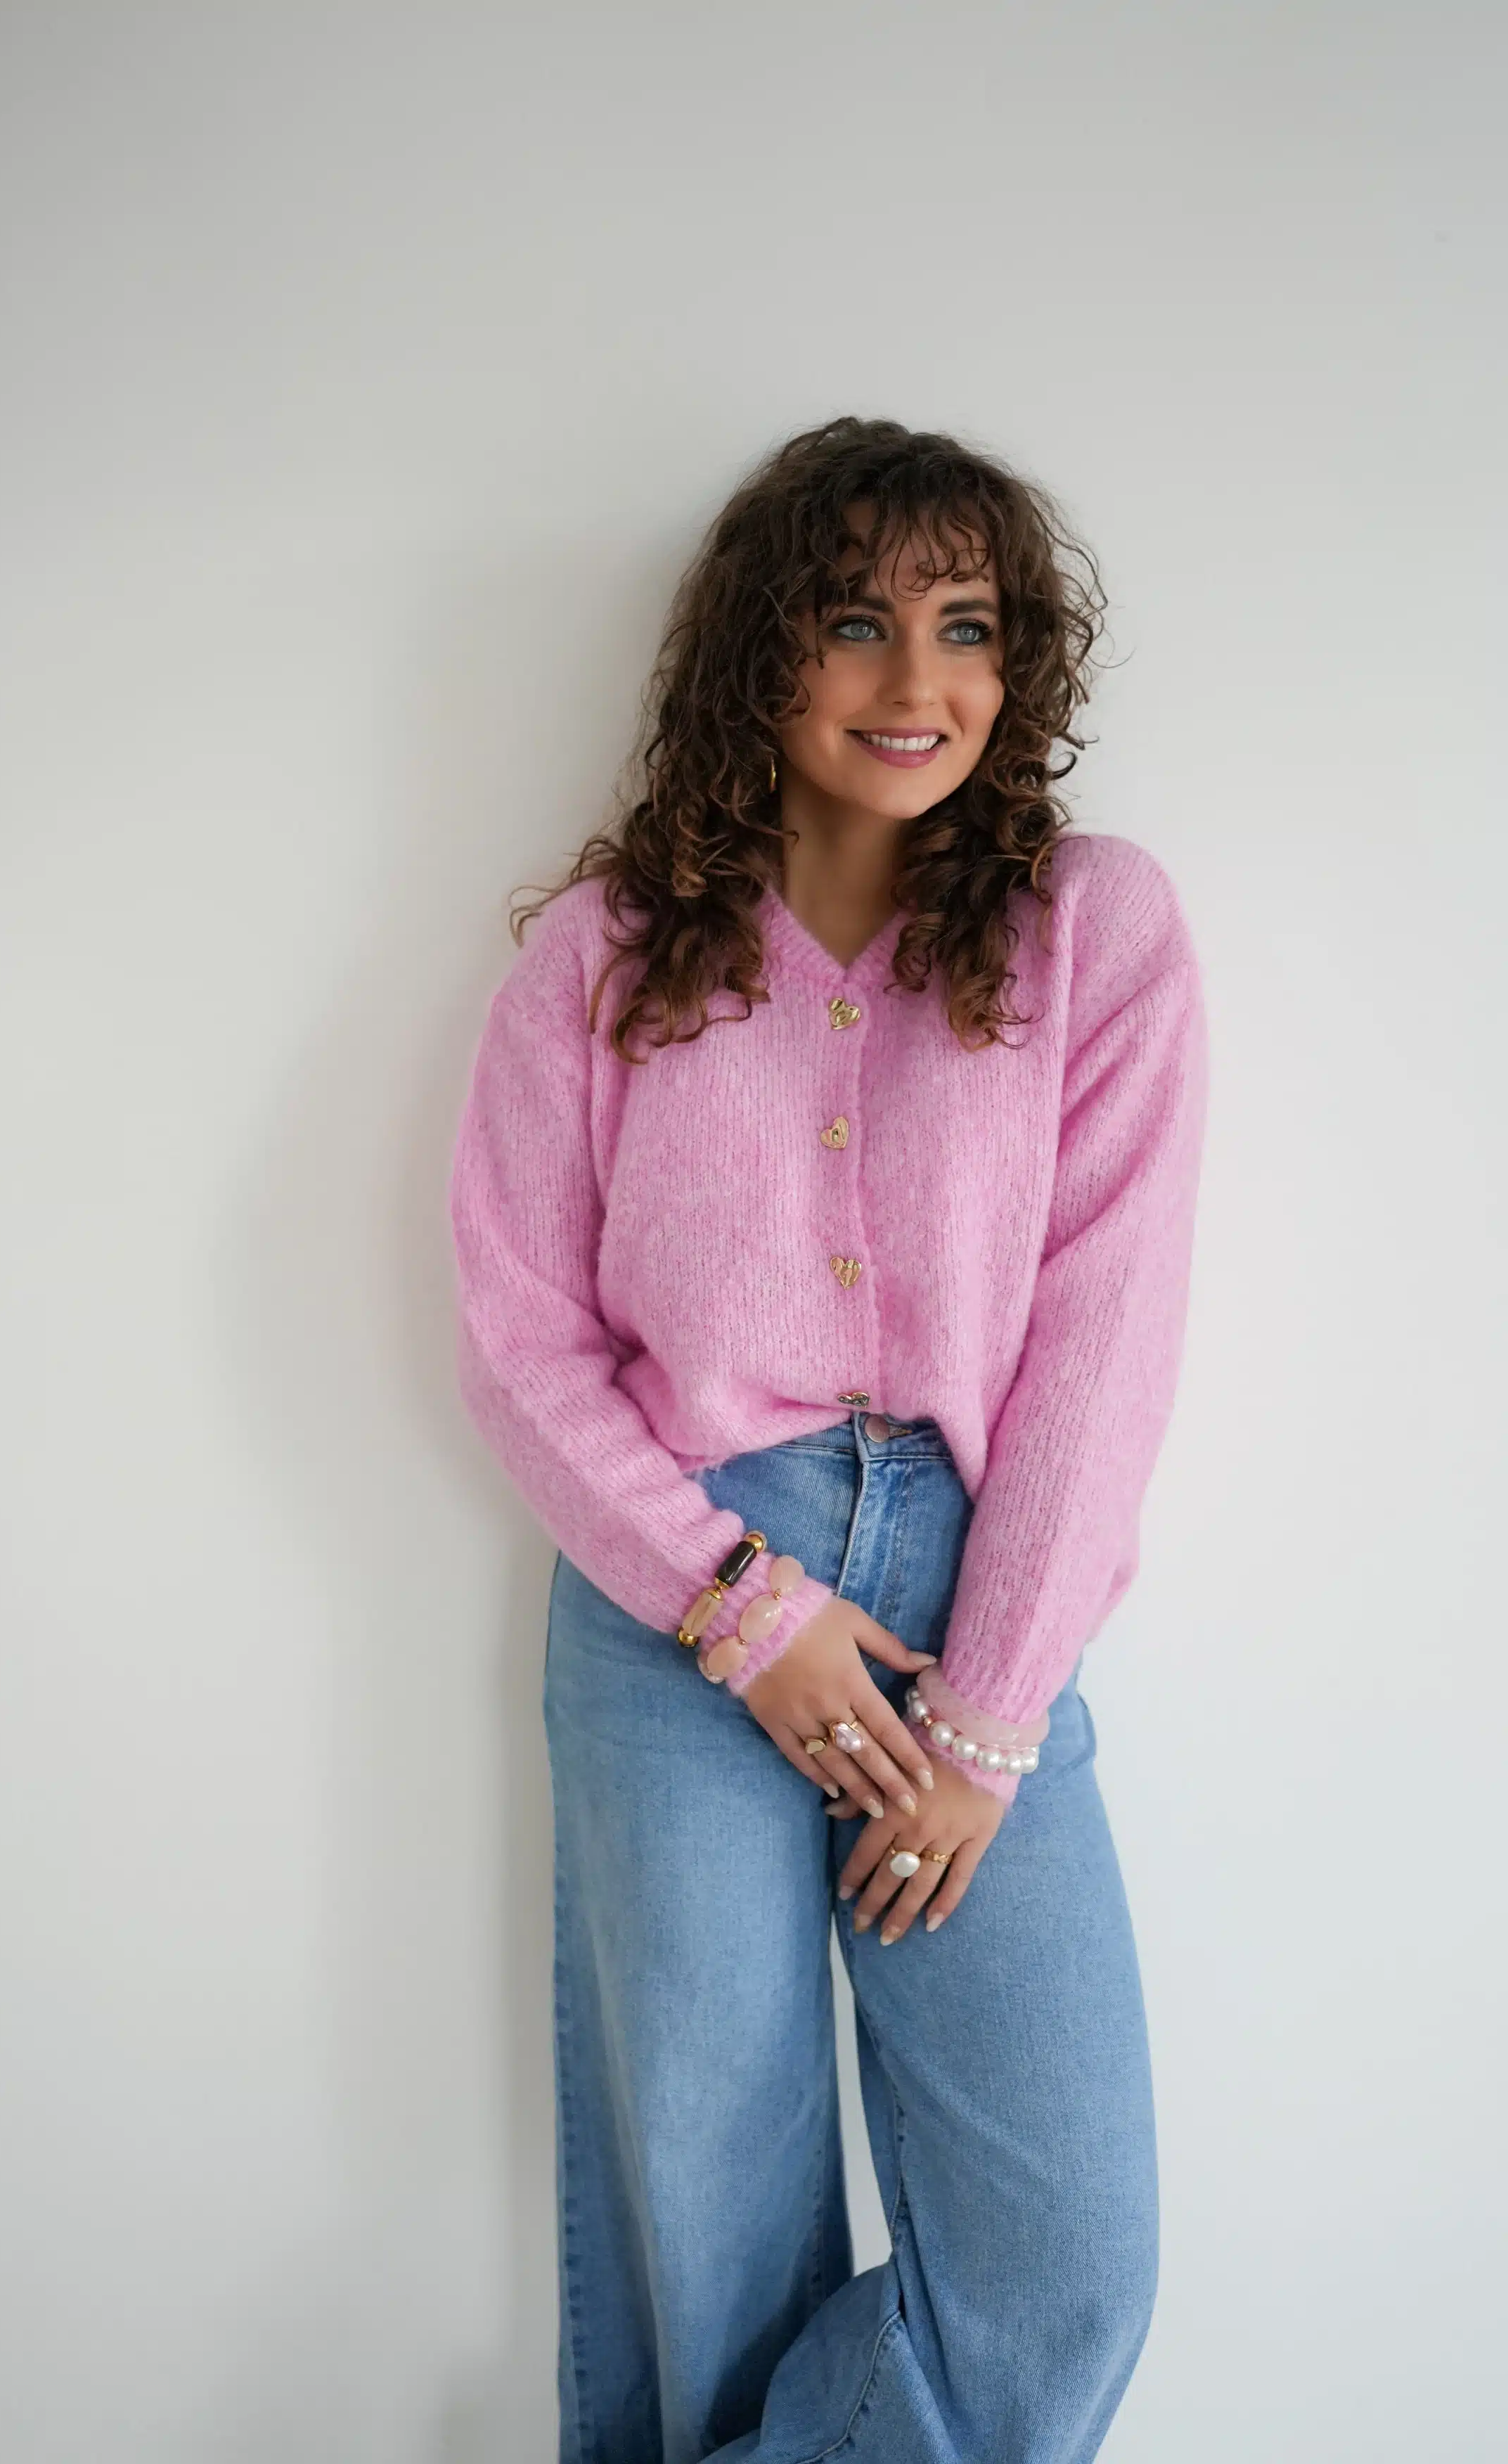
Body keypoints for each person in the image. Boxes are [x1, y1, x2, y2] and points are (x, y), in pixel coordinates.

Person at [446, 414, 1209, 2464]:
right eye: (857, 621)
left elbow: (1105, 1349)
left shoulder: (1093, 931)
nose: (917, 679)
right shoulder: (603, 956)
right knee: (710, 2229)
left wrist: (988, 1719)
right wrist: (733, 1604)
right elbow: (519, 1341)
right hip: (673, 1599)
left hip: (980, 1603)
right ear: (761, 651)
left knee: (1066, 2259)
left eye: (969, 627)